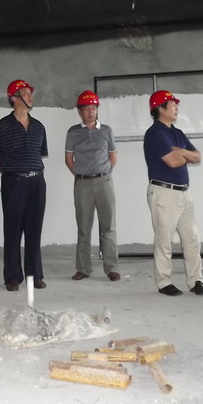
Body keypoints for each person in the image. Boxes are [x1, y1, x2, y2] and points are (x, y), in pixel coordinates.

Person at [143, 90, 203, 297]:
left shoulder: (177, 133)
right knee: (164, 241)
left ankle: (196, 281)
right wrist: (182, 155)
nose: (176, 108)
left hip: (184, 193)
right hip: (164, 193)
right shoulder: (155, 134)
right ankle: (164, 282)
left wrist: (182, 152)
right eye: (172, 104)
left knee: (192, 239)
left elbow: (197, 156)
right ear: (160, 109)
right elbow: (172, 161)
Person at [0, 79, 48, 291]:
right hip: (13, 182)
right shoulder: (1, 127)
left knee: (34, 229)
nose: (30, 96)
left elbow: (39, 154)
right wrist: (16, 171)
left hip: (37, 182)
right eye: (25, 93)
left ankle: (35, 274)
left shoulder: (39, 127)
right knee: (13, 230)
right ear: (14, 98)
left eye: (30, 93)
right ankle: (12, 277)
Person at [65, 90, 120, 282]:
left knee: (109, 227)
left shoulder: (106, 131)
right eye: (87, 108)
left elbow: (113, 156)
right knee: (83, 228)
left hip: (104, 182)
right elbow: (69, 159)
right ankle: (83, 268)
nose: (91, 112)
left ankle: (112, 268)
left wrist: (102, 171)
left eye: (94, 108)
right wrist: (82, 172)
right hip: (82, 184)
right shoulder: (73, 132)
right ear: (80, 111)